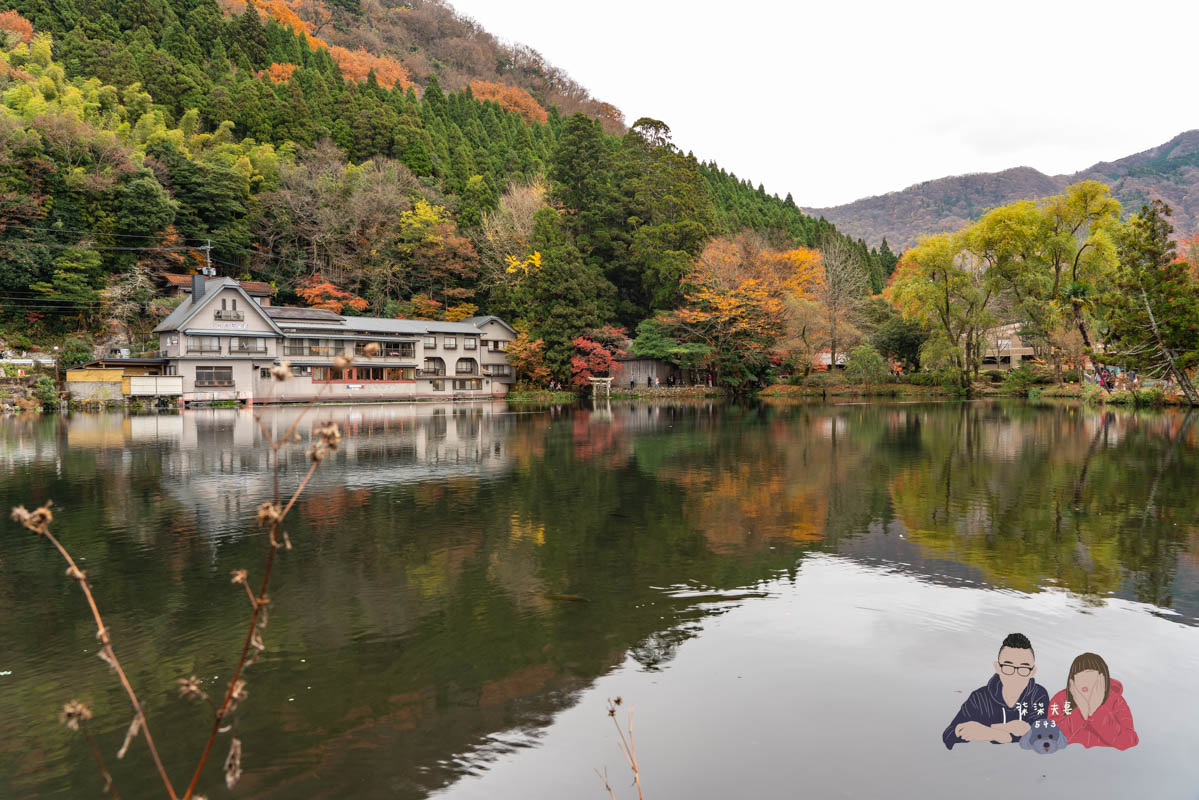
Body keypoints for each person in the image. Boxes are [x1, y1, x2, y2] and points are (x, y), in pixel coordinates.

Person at [943, 633, 1049, 749]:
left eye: (1024, 668)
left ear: (1033, 671)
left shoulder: (1038, 695)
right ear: (997, 667)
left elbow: (1041, 736)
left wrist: (991, 732)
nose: (1015, 675)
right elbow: (948, 735)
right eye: (1008, 667)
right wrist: (999, 733)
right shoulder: (979, 698)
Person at [1047, 653, 1138, 750]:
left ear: (1102, 679)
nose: (1084, 681)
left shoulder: (1116, 701)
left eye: (1089, 675)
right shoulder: (1060, 699)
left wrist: (1096, 711)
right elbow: (1049, 739)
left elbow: (1128, 741)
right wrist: (1080, 713)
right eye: (1079, 676)